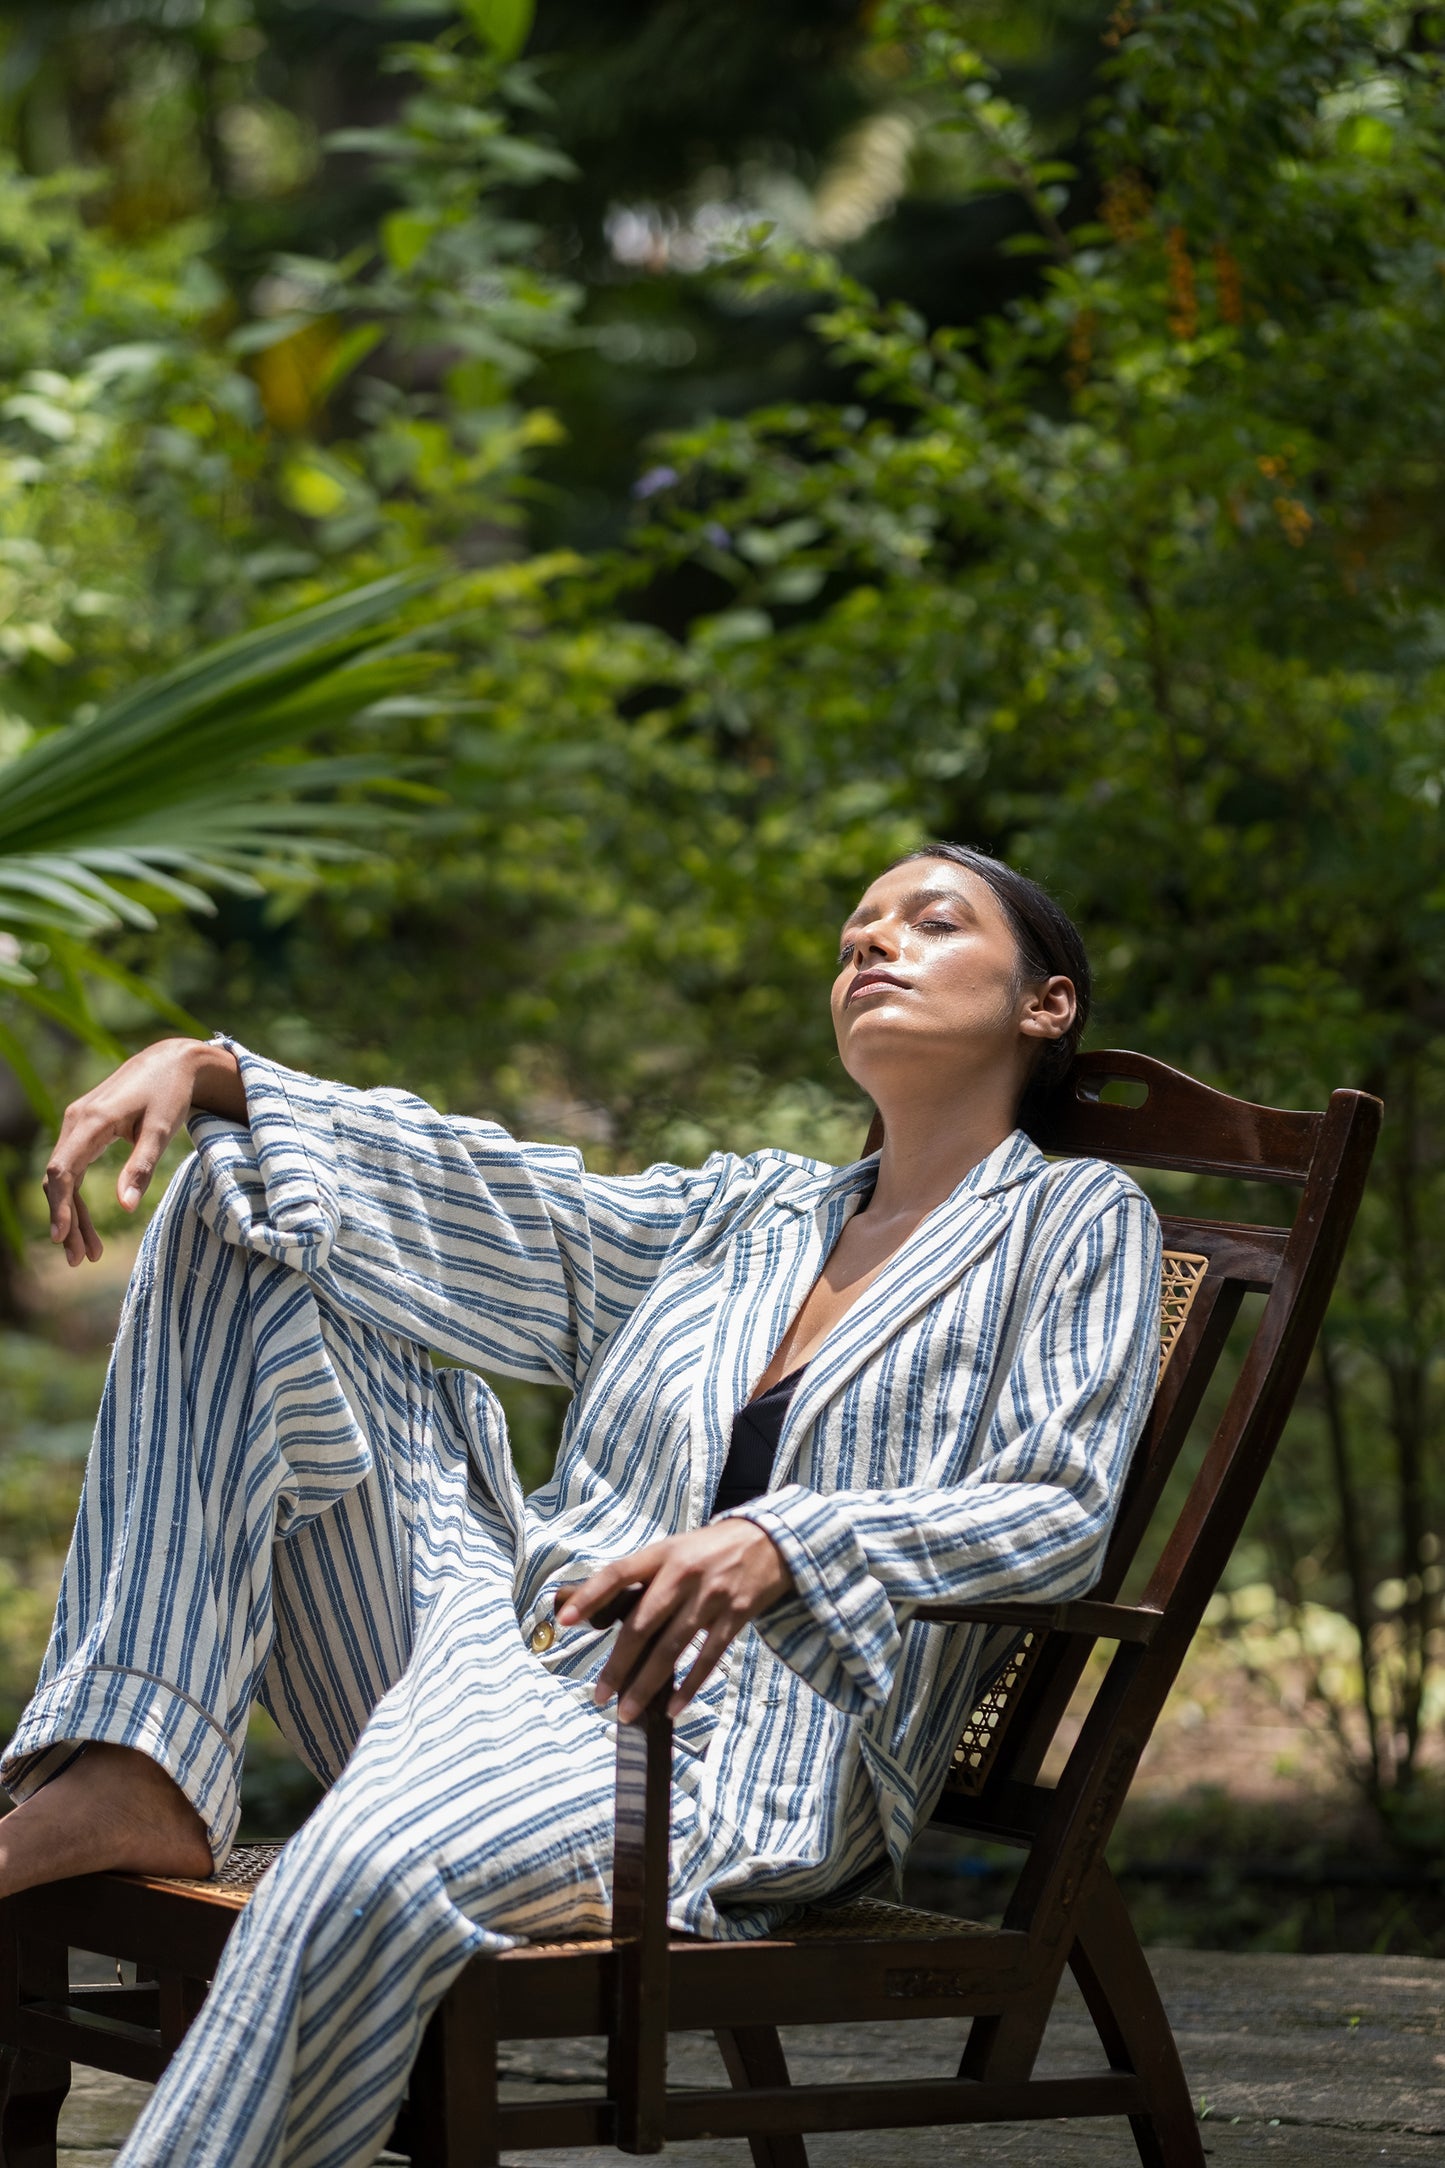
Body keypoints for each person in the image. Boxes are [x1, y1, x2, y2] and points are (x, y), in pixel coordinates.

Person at [0, 844, 1160, 2168]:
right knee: (236, 1187)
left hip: (716, 1756)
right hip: (508, 1654)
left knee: (364, 1869)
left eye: (927, 925)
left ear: (1043, 1004)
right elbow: (502, 1202)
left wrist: (789, 1536)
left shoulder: (1074, 1223)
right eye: (854, 934)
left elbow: (1057, 1506)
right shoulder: (751, 1212)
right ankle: (133, 1763)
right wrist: (207, 1069)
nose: (871, 948)